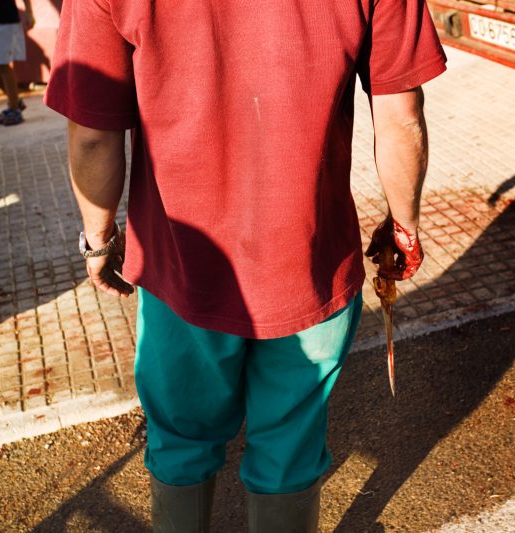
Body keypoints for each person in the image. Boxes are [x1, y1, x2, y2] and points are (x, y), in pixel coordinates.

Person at [44, 1, 446, 530]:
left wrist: (98, 240)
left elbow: (93, 132)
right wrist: (404, 224)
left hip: (182, 271)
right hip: (310, 262)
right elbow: (401, 114)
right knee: (289, 446)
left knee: (181, 441)